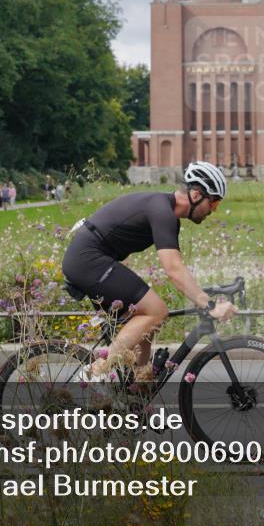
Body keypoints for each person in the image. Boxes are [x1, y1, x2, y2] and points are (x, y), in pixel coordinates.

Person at [63, 161, 238, 382]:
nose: (214, 211)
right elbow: (173, 269)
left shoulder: (166, 213)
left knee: (146, 326)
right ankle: (94, 373)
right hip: (87, 260)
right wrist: (209, 305)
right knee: (156, 311)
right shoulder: (162, 211)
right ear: (195, 195)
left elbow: (174, 267)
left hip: (92, 259)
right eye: (213, 203)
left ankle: (137, 394)